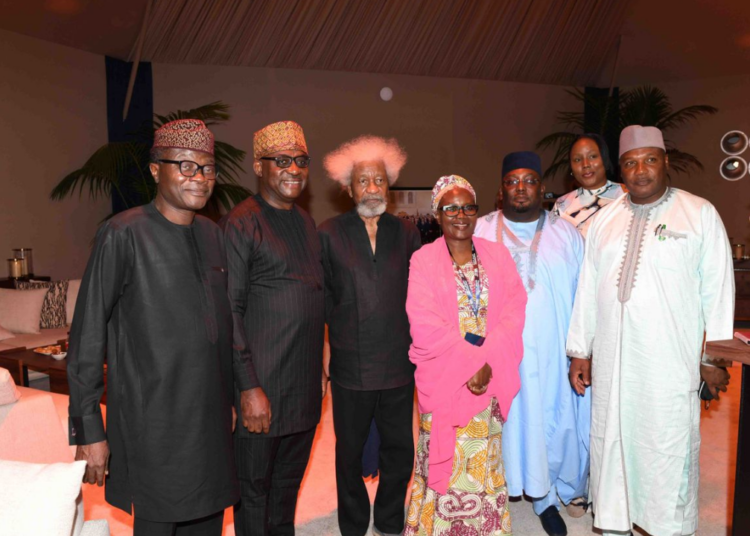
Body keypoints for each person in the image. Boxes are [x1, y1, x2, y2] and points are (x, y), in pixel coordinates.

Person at [67, 119, 239, 535]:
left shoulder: (215, 236)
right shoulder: (122, 234)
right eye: (184, 166)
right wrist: (90, 429)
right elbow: (87, 335)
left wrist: (236, 394)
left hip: (210, 423)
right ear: (154, 170)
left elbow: (226, 326)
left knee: (207, 523)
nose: (199, 178)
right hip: (154, 426)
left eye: (207, 168)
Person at [566, 125, 735, 536]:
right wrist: (579, 350)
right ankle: (614, 521)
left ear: (665, 163)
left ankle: (668, 526)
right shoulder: (605, 221)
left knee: (665, 447)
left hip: (668, 362)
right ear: (620, 169)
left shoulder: (698, 214)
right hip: (612, 361)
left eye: (650, 160)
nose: (640, 170)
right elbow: (588, 289)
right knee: (612, 441)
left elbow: (718, 290)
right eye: (630, 162)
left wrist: (713, 356)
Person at [403, 175, 527, 536]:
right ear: (437, 215)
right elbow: (424, 322)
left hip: (491, 374)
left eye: (468, 207)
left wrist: (488, 361)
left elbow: (515, 309)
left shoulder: (497, 255)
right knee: (446, 460)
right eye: (450, 208)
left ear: (477, 211)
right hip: (446, 378)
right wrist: (470, 364)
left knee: (483, 460)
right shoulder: (423, 260)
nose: (460, 215)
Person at [475, 151, 589, 536]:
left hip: (555, 353)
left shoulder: (567, 234)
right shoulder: (479, 231)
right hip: (499, 355)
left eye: (528, 181)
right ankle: (496, 491)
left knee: (554, 420)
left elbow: (584, 297)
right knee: (503, 422)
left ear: (542, 187)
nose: (520, 188)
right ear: (500, 189)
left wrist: (582, 350)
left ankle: (549, 497)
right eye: (512, 181)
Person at [222, 121, 325, 535]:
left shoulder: (306, 223)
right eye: (282, 161)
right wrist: (248, 387)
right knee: (254, 490)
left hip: (302, 384)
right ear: (259, 167)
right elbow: (230, 310)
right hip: (261, 386)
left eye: (301, 161)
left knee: (287, 486)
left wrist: (320, 366)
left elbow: (314, 300)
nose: (294, 170)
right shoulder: (242, 223)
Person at [318, 136, 421, 536]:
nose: (373, 189)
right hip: (349, 364)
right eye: (364, 181)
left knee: (401, 450)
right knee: (347, 453)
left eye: (379, 180)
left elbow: (421, 295)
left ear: (389, 186)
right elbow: (323, 300)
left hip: (399, 362)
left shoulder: (408, 233)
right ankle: (354, 524)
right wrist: (325, 352)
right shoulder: (327, 234)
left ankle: (391, 520)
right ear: (349, 188)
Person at [552, 133, 626, 238]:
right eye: (577, 159)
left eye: (592, 156)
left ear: (604, 159)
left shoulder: (626, 195)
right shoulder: (562, 204)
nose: (585, 164)